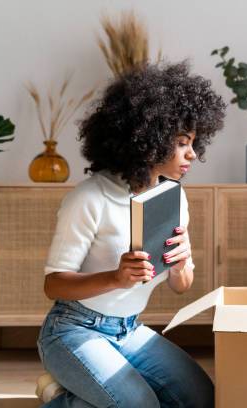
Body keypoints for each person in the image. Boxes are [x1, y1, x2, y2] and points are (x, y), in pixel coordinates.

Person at [36, 61, 226, 408]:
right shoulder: (89, 198)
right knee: (142, 406)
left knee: (202, 399)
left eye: (194, 143)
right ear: (149, 138)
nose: (192, 155)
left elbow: (180, 285)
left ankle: (86, 394)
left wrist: (182, 263)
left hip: (129, 329)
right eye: (182, 143)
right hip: (73, 330)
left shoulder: (172, 196)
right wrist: (116, 277)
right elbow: (54, 285)